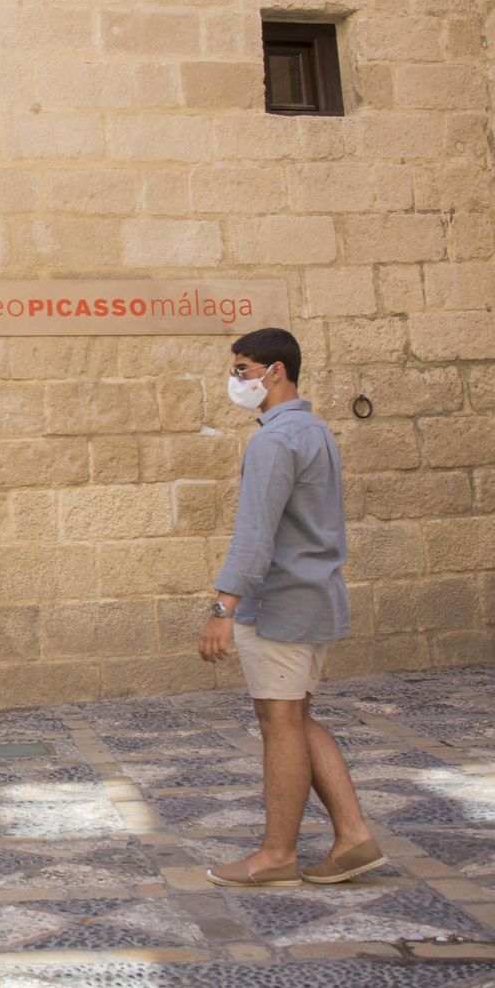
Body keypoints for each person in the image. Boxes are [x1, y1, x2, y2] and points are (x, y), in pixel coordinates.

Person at [197, 327, 385, 888]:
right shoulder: (314, 430)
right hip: (314, 596)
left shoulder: (274, 441)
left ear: (276, 371)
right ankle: (353, 837)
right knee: (295, 717)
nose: (236, 381)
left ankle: (276, 855)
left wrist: (222, 608)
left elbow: (255, 535)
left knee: (279, 722)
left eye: (243, 370)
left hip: (280, 604)